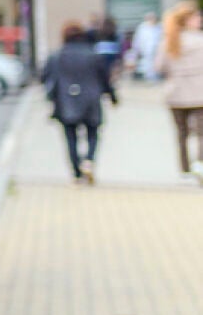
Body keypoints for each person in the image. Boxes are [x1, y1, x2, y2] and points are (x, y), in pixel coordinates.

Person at [42, 22, 116, 185]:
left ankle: (76, 173)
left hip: (66, 101)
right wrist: (113, 97)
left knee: (70, 138)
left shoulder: (56, 56)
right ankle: (89, 160)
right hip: (91, 100)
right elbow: (105, 79)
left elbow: (45, 77)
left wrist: (51, 97)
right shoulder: (93, 55)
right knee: (92, 134)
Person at [157, 1, 203, 180]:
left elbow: (159, 67)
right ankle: (200, 163)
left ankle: (184, 169)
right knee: (201, 133)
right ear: (187, 20)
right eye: (197, 17)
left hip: (175, 93)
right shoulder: (200, 40)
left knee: (181, 134)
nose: (200, 19)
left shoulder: (169, 41)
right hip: (199, 93)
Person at [133, 10, 163, 83]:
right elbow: (138, 39)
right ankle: (149, 77)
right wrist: (137, 50)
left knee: (156, 63)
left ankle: (156, 76)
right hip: (146, 50)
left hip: (157, 50)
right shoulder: (142, 28)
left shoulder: (159, 27)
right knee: (147, 64)